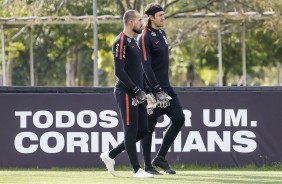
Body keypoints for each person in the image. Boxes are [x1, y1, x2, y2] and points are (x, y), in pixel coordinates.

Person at [100, 10, 153, 178]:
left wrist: (147, 90)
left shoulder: (134, 41)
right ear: (131, 23)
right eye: (139, 20)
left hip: (138, 94)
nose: (141, 23)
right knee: (130, 131)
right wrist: (136, 90)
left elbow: (138, 71)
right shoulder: (120, 41)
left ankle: (110, 155)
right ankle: (136, 169)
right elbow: (119, 71)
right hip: (125, 92)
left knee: (143, 130)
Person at [137, 3, 185, 175]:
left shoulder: (162, 34)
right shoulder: (144, 37)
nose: (164, 18)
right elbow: (145, 66)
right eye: (160, 16)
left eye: (164, 15)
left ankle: (161, 158)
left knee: (179, 118)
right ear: (151, 17)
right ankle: (148, 166)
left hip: (166, 88)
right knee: (148, 129)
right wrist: (156, 90)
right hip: (151, 90)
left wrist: (163, 89)